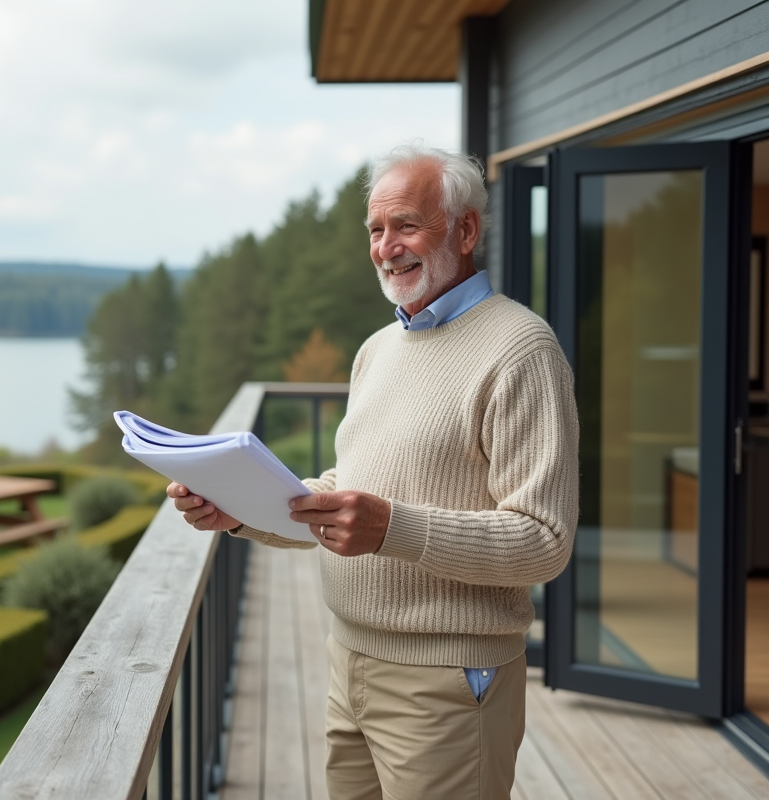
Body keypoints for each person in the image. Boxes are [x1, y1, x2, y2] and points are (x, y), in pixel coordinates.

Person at [168, 143, 578, 800]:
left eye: (406, 225)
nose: (387, 247)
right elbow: (348, 495)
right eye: (376, 231)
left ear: (466, 230)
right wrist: (240, 513)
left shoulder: (522, 350)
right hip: (347, 663)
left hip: (448, 682)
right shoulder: (377, 350)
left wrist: (394, 527)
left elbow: (543, 542)